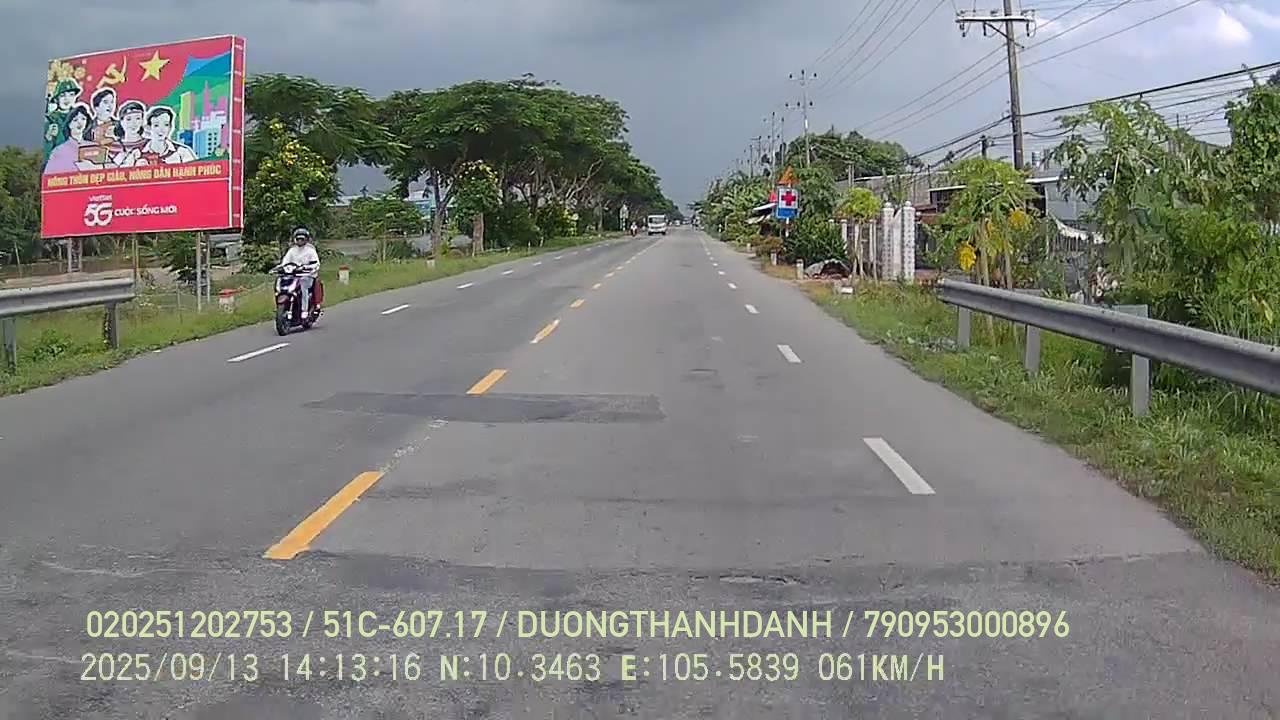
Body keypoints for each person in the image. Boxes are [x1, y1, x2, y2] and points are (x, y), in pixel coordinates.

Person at [279, 227, 320, 318]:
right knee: (281, 283)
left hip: (306, 276)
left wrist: (308, 268)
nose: (300, 241)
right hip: (293, 276)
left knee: (303, 285)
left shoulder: (310, 251)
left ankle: (304, 310)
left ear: (306, 239)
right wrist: (282, 267)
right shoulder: (292, 250)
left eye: (302, 239)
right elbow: (285, 262)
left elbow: (316, 264)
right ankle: (284, 306)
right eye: (298, 239)